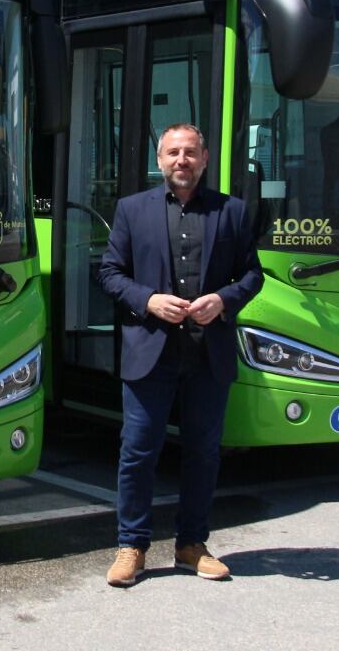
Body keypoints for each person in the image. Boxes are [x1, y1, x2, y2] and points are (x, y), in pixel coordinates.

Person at [97, 123, 262, 587]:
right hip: (150, 352)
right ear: (159, 158)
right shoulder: (132, 210)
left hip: (207, 355)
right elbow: (109, 273)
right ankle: (132, 546)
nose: (181, 161)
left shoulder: (231, 211)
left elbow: (253, 275)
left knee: (203, 453)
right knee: (138, 451)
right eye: (173, 153)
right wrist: (147, 299)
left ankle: (192, 545)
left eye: (190, 152)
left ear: (205, 158)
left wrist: (224, 300)